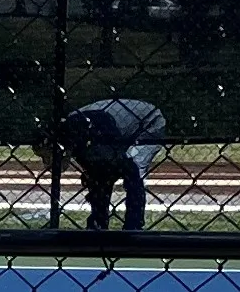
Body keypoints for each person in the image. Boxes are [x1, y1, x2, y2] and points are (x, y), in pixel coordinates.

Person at [56, 93, 165, 233]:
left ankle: (133, 224)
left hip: (150, 122)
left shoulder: (83, 130)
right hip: (119, 127)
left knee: (134, 169)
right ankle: (102, 222)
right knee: (104, 173)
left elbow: (109, 160)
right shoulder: (76, 130)